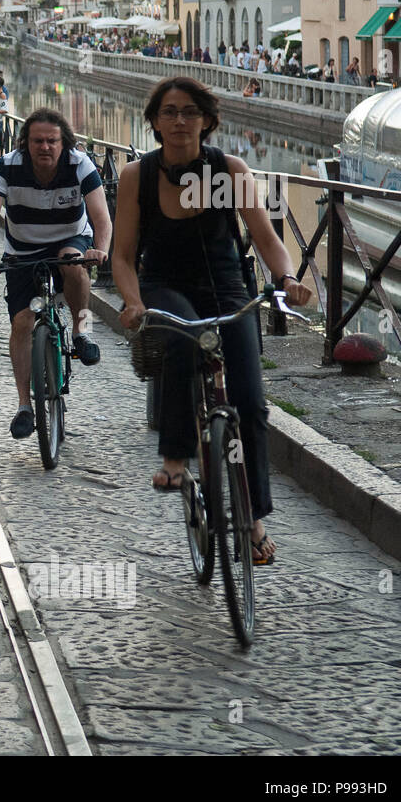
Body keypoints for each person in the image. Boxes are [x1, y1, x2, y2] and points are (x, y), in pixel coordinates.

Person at [111, 77, 314, 565]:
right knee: (182, 340)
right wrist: (134, 301)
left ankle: (254, 515)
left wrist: (287, 278)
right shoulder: (138, 175)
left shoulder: (230, 169)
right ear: (155, 122)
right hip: (164, 284)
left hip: (226, 285)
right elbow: (121, 256)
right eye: (169, 112)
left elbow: (266, 239)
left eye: (190, 112)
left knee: (250, 401)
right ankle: (175, 460)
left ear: (207, 120)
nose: (180, 120)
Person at [0, 108, 112, 440]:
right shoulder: (7, 166)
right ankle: (24, 406)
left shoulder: (80, 164)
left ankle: (80, 334)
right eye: (38, 141)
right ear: (26, 143)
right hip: (22, 249)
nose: (45, 147)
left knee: (73, 263)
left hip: (70, 238)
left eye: (52, 141)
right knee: (22, 322)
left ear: (64, 142)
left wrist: (101, 249)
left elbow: (101, 217)